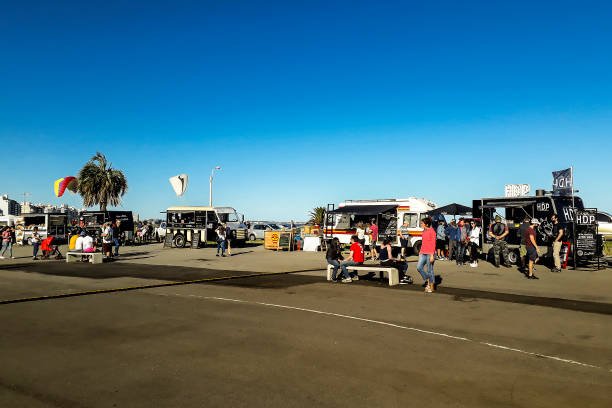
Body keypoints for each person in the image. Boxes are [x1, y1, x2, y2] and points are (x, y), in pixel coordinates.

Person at [416, 217, 436, 293]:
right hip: (423, 253)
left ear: (426, 224)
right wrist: (420, 253)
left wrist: (431, 255)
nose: (421, 224)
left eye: (422, 223)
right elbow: (423, 243)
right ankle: (428, 278)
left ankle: (431, 287)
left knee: (429, 270)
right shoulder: (424, 231)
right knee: (419, 267)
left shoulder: (432, 231)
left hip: (430, 253)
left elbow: (433, 244)